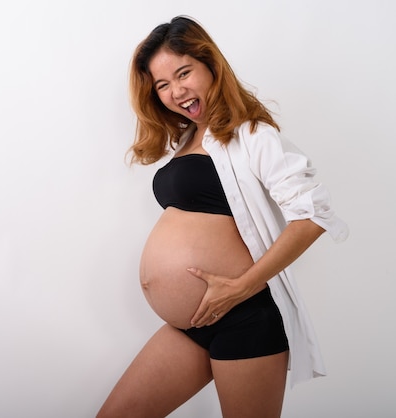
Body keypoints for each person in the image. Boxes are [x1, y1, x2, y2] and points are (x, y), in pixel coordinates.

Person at [96, 16, 348, 418]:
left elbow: (314, 215)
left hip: (243, 320)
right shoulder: (187, 139)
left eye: (184, 73)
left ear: (210, 65)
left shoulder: (252, 136)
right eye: (162, 84)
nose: (176, 91)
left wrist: (242, 287)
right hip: (190, 327)